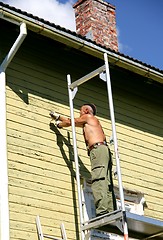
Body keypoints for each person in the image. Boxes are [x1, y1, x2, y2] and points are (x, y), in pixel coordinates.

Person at [50, 103, 116, 217]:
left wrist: (58, 119)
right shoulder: (91, 122)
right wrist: (60, 121)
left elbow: (71, 121)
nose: (80, 114)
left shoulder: (88, 117)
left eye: (80, 111)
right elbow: (70, 122)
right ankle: (110, 210)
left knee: (98, 178)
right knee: (106, 181)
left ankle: (102, 211)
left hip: (97, 149)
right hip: (104, 150)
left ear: (85, 110)